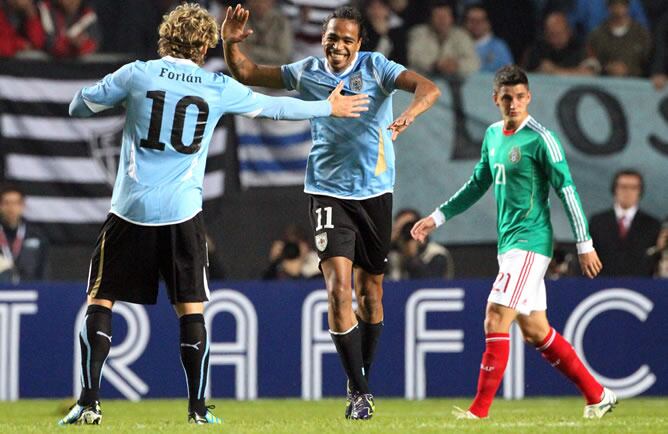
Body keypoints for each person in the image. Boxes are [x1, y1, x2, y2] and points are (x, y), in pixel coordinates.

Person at [58, 2, 368, 426]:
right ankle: (198, 410)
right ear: (204, 45)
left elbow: (79, 106)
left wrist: (109, 100)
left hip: (129, 210)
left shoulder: (136, 74)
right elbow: (274, 108)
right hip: (183, 212)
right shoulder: (215, 86)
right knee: (191, 309)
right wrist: (325, 108)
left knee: (101, 299)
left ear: (165, 37)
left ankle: (89, 402)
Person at [222, 4, 440, 419]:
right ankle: (359, 394)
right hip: (327, 193)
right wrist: (230, 45)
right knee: (339, 290)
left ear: (359, 44)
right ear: (323, 38)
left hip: (375, 194)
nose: (337, 45)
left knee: (371, 297)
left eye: (346, 39)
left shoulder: (378, 68)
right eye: (332, 37)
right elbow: (248, 74)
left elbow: (430, 89)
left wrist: (409, 113)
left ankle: (361, 379)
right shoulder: (307, 72)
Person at [411, 65, 617, 420]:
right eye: (507, 97)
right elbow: (478, 183)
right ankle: (598, 395)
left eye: (520, 96)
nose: (514, 103)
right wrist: (438, 217)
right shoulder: (492, 135)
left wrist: (584, 243)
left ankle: (478, 413)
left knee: (495, 315)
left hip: (531, 241)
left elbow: (567, 190)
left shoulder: (541, 139)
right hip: (509, 245)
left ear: (529, 98)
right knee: (536, 331)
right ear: (496, 99)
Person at [589, 170, 661, 277]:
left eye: (633, 187)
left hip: (641, 287)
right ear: (615, 189)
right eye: (623, 187)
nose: (628, 192)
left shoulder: (653, 225)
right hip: (602, 285)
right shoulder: (597, 222)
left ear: (640, 192)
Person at [407, 0, 480, 77]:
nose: (442, 20)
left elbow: (474, 62)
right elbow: (413, 57)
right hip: (424, 80)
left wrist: (457, 65)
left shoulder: (462, 35)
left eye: (445, 16)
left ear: (451, 18)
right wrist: (436, 65)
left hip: (454, 82)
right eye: (437, 16)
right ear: (430, 18)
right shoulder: (418, 33)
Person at [585, 0, 651, 77]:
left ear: (628, 7)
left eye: (622, 5)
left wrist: (629, 69)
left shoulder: (641, 33)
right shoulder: (597, 34)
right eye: (615, 5)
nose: (618, 9)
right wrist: (607, 67)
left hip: (635, 83)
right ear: (608, 8)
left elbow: (649, 62)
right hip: (604, 82)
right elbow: (589, 62)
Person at [0, 185, 48, 283]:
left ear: (23, 206)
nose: (11, 208)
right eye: (6, 203)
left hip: (30, 292)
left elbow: (44, 271)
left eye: (15, 203)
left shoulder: (36, 235)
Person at [523, 11, 594, 76]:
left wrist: (555, 71)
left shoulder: (582, 47)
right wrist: (539, 71)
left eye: (560, 34)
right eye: (552, 35)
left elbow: (590, 73)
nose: (556, 39)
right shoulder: (538, 49)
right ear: (546, 34)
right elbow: (525, 74)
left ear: (569, 31)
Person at [463, 4, 513, 73]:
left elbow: (509, 74)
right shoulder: (458, 45)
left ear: (488, 23)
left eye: (480, 21)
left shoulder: (499, 47)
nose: (475, 24)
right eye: (472, 20)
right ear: (465, 23)